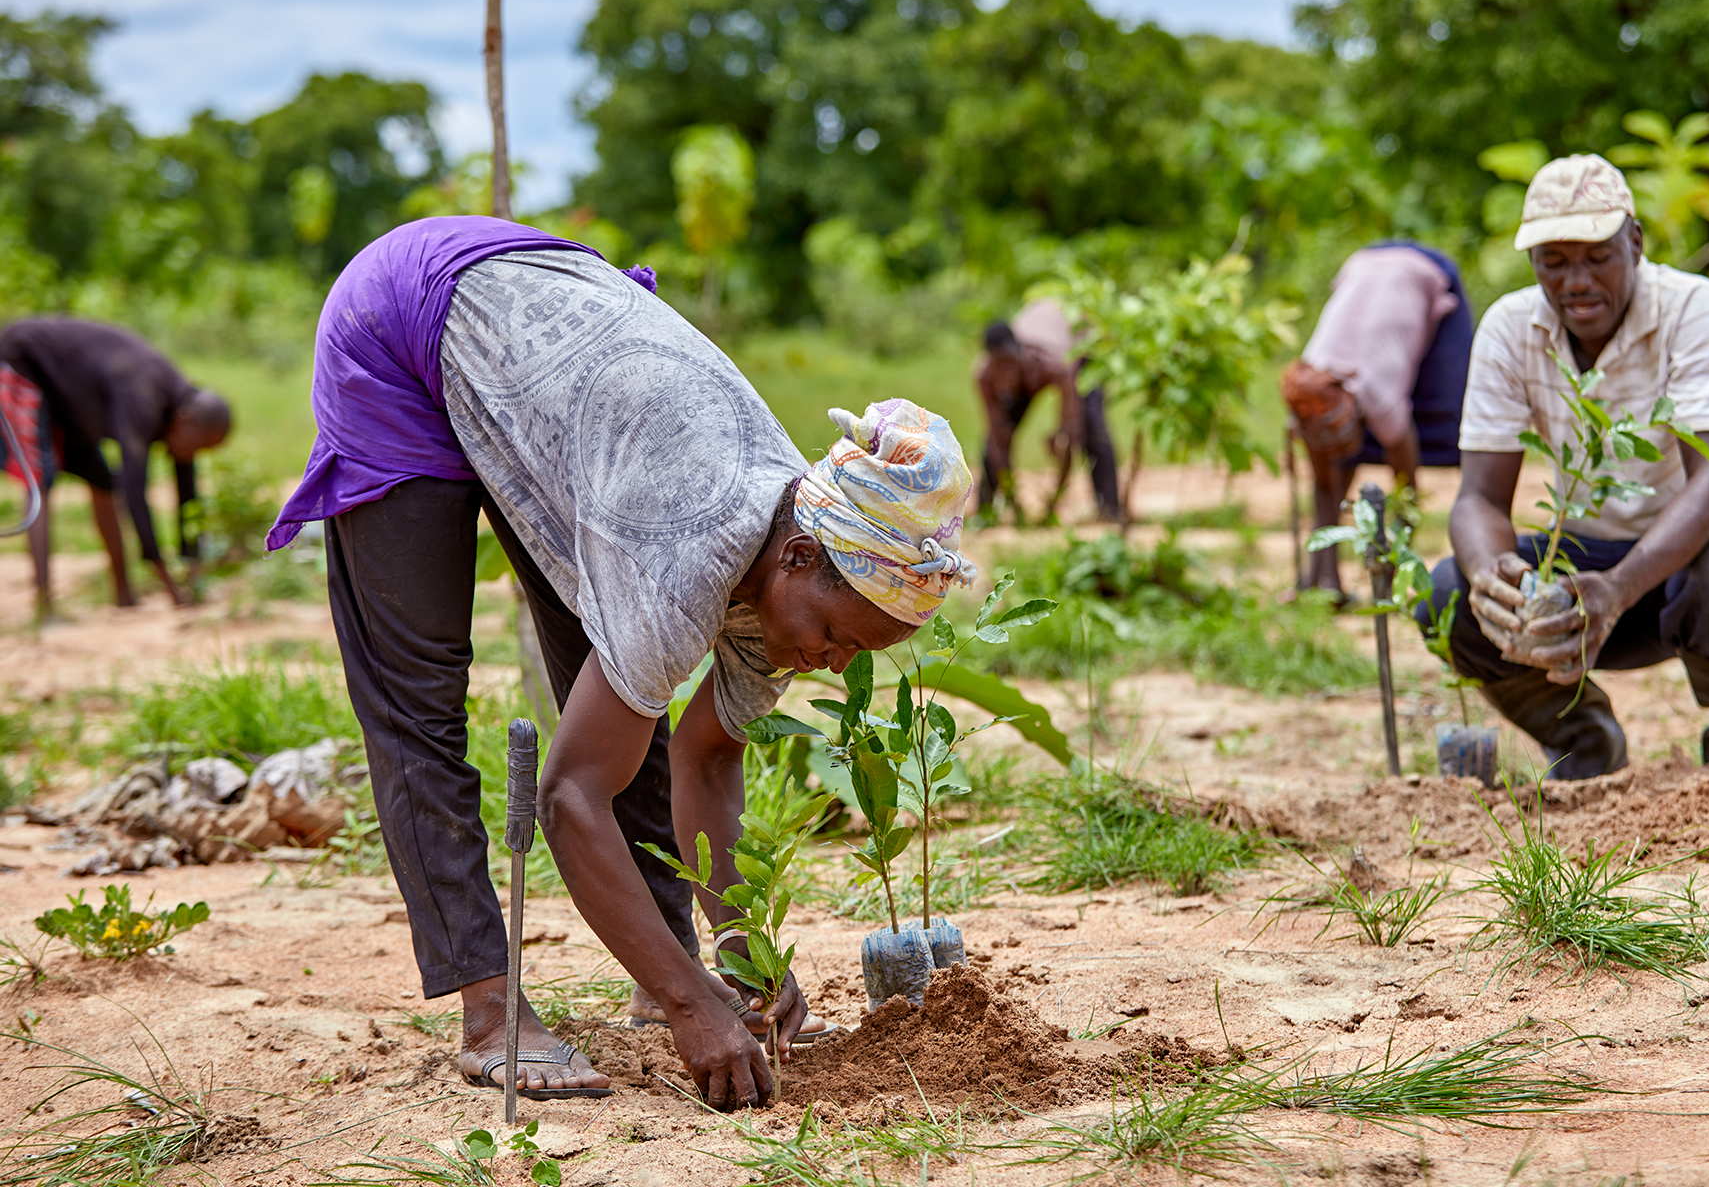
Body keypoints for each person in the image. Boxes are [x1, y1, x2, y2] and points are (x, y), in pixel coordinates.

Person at [268, 215, 977, 1111]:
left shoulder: (799, 570)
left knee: (614, 701)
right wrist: (695, 1008)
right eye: (838, 637)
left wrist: (737, 952)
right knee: (422, 706)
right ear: (799, 557)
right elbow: (569, 799)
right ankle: (491, 1013)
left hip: (565, 371)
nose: (832, 663)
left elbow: (705, 754)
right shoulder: (689, 552)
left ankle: (660, 968)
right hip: (409, 320)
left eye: (852, 653)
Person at [1424, 155, 1709, 779]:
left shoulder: (1692, 309)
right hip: (1578, 578)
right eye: (1555, 262)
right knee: (1450, 593)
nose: (1577, 282)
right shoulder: (1510, 329)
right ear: (1532, 262)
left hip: (1687, 575)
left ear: (1636, 243)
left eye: (1598, 257)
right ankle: (1584, 742)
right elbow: (1479, 499)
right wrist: (1494, 580)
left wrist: (1618, 590)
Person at [0, 318, 231, 620]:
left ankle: (123, 595)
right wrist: (169, 585)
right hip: (25, 362)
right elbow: (134, 490)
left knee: (104, 484)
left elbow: (187, 494)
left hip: (67, 398)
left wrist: (193, 571)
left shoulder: (180, 414)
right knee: (40, 478)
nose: (192, 455)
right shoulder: (144, 396)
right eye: (196, 446)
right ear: (185, 420)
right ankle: (45, 609)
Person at [1282, 243, 1473, 595]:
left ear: (1353, 410)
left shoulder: (1377, 392)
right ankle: (1326, 581)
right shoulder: (1309, 398)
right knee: (1335, 467)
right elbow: (1324, 487)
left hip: (1426, 269)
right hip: (1359, 265)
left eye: (1342, 438)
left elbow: (1406, 489)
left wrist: (1393, 566)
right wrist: (1319, 581)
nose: (1336, 449)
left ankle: (1464, 553)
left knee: (1454, 426)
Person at [972, 298, 1122, 525]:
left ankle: (1110, 508)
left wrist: (1055, 498)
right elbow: (996, 437)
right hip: (1041, 351)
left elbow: (1072, 432)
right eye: (999, 368)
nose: (1006, 376)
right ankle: (985, 513)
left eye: (1010, 366)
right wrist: (1015, 504)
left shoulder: (1055, 364)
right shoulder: (985, 376)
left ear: (1021, 355)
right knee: (994, 441)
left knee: (1091, 427)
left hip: (1081, 349)